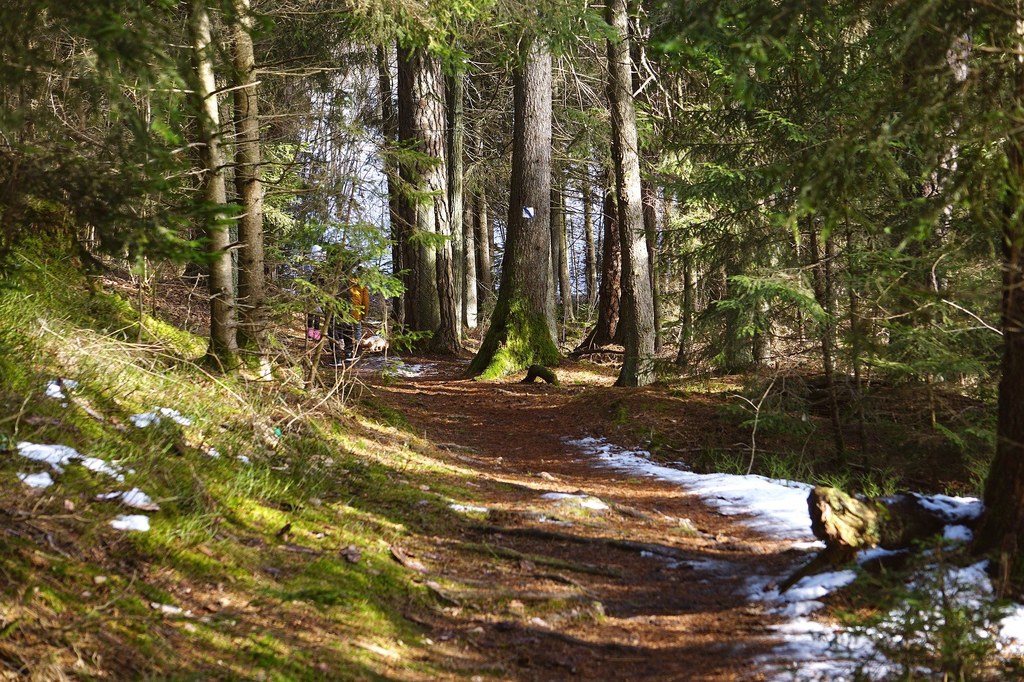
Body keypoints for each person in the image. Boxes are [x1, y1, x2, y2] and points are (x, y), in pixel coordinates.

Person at [328, 272, 370, 363]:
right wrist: (364, 315)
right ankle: (354, 353)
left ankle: (340, 355)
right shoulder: (363, 286)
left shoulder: (346, 284)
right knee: (357, 331)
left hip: (344, 312)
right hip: (357, 312)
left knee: (340, 330)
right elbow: (366, 301)